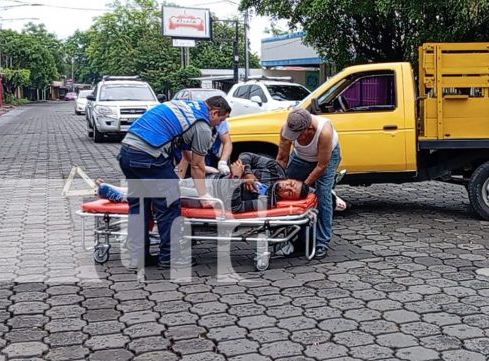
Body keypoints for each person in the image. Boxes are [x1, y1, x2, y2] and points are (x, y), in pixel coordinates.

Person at [117, 95, 231, 270]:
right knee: (169, 206)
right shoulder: (203, 126)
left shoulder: (187, 107)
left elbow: (188, 152)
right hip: (150, 157)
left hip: (127, 152)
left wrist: (201, 166)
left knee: (139, 206)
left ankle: (138, 257)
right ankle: (170, 257)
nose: (219, 124)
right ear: (214, 112)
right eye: (221, 119)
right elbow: (197, 167)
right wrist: (203, 195)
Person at [98, 152, 310, 213]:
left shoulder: (267, 201)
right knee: (168, 182)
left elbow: (235, 207)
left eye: (290, 192)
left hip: (209, 198)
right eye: (292, 183)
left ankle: (123, 195)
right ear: (291, 178)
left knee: (169, 193)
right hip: (210, 179)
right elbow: (246, 155)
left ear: (287, 198)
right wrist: (247, 173)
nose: (287, 187)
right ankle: (125, 190)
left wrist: (236, 179)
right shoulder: (275, 170)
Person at [277, 108, 341, 259]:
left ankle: (321, 243)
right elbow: (282, 158)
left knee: (322, 195)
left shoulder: (324, 132)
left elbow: (321, 165)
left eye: (298, 135)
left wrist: (304, 185)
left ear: (309, 129)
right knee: (285, 192)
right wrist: (278, 180)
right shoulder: (287, 129)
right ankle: (296, 238)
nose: (294, 138)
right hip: (300, 157)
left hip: (326, 159)